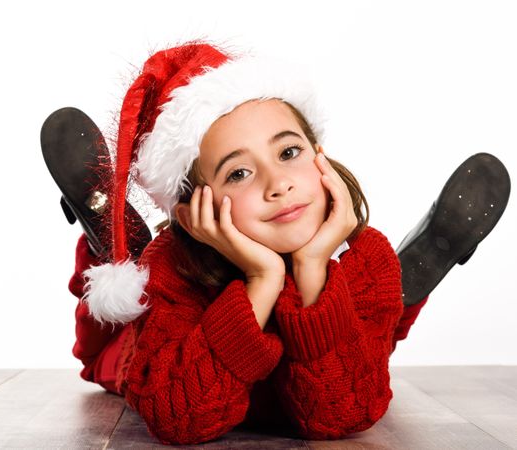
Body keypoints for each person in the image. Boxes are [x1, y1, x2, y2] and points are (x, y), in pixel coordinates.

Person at [41, 40, 510, 445]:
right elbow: (178, 417)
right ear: (192, 211)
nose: (278, 184)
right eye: (239, 173)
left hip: (349, 315)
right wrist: (262, 280)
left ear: (321, 160)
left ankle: (405, 288)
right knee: (111, 357)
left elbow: (346, 413)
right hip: (162, 338)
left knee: (373, 328)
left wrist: (310, 267)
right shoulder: (174, 267)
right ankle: (116, 240)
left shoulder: (367, 256)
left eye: (289, 152)